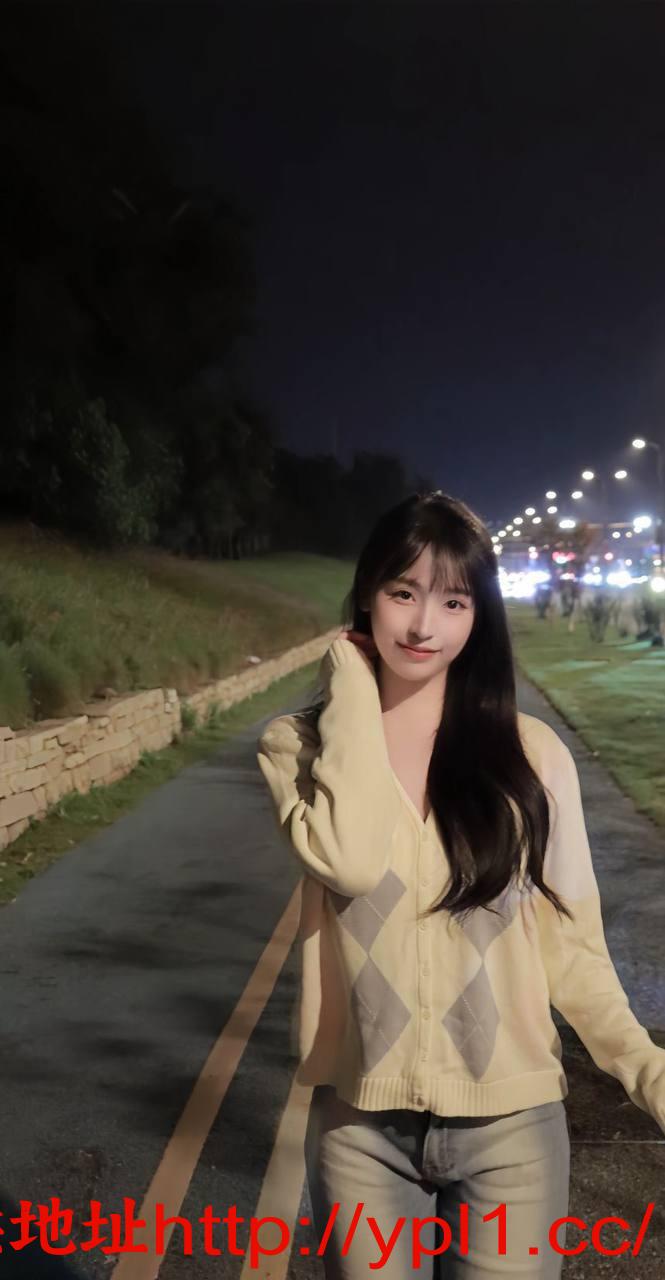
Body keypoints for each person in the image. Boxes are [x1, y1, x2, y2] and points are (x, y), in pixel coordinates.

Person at [256, 490, 665, 1279]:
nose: (422, 625)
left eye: (452, 601)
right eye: (401, 592)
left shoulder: (529, 756)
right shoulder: (297, 751)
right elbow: (350, 858)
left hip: (512, 1131)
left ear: (479, 615)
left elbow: (572, 950)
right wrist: (350, 683)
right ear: (366, 595)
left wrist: (645, 1070)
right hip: (361, 1129)